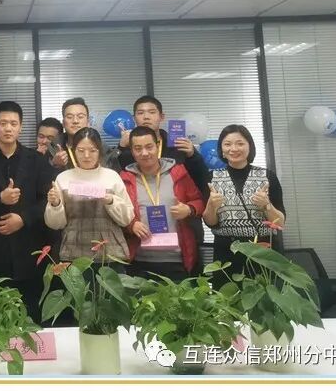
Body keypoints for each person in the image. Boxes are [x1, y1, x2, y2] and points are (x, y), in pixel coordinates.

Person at [0, 101, 56, 323]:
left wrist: (23, 218)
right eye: (3, 123)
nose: (8, 128)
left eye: (13, 123)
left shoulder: (36, 160)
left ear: (21, 127)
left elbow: (48, 199)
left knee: (31, 314)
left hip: (30, 246)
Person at [116, 95, 210, 254]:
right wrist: (120, 148)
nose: (146, 117)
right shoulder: (127, 150)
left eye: (151, 112)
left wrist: (193, 154)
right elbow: (116, 191)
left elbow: (202, 186)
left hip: (181, 232)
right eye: (140, 113)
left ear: (162, 116)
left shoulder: (178, 146)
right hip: (140, 238)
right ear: (134, 118)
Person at [204, 125, 286, 284]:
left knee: (263, 295)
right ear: (221, 149)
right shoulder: (212, 178)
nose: (233, 149)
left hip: (262, 250)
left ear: (250, 146)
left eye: (240, 143)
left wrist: (266, 205)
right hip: (226, 251)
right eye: (227, 144)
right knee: (227, 297)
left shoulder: (267, 176)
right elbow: (210, 223)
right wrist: (212, 206)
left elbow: (280, 223)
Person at [119, 127, 204, 282]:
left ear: (158, 146)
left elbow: (199, 201)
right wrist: (131, 225)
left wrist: (188, 209)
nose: (144, 153)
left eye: (149, 147)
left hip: (176, 260)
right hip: (139, 261)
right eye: (138, 149)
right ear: (131, 151)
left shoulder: (178, 173)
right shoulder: (124, 180)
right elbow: (117, 214)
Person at [45, 127, 134, 264]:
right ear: (73, 150)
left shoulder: (112, 176)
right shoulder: (63, 178)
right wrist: (55, 204)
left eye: (92, 150)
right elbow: (56, 224)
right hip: (73, 252)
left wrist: (111, 201)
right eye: (81, 150)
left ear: (100, 151)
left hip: (110, 253)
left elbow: (127, 219)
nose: (86, 155)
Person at [51, 97, 91, 170]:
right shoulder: (53, 149)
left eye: (80, 117)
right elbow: (43, 176)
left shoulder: (101, 148)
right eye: (69, 117)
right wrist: (55, 165)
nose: (75, 121)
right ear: (63, 123)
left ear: (88, 122)